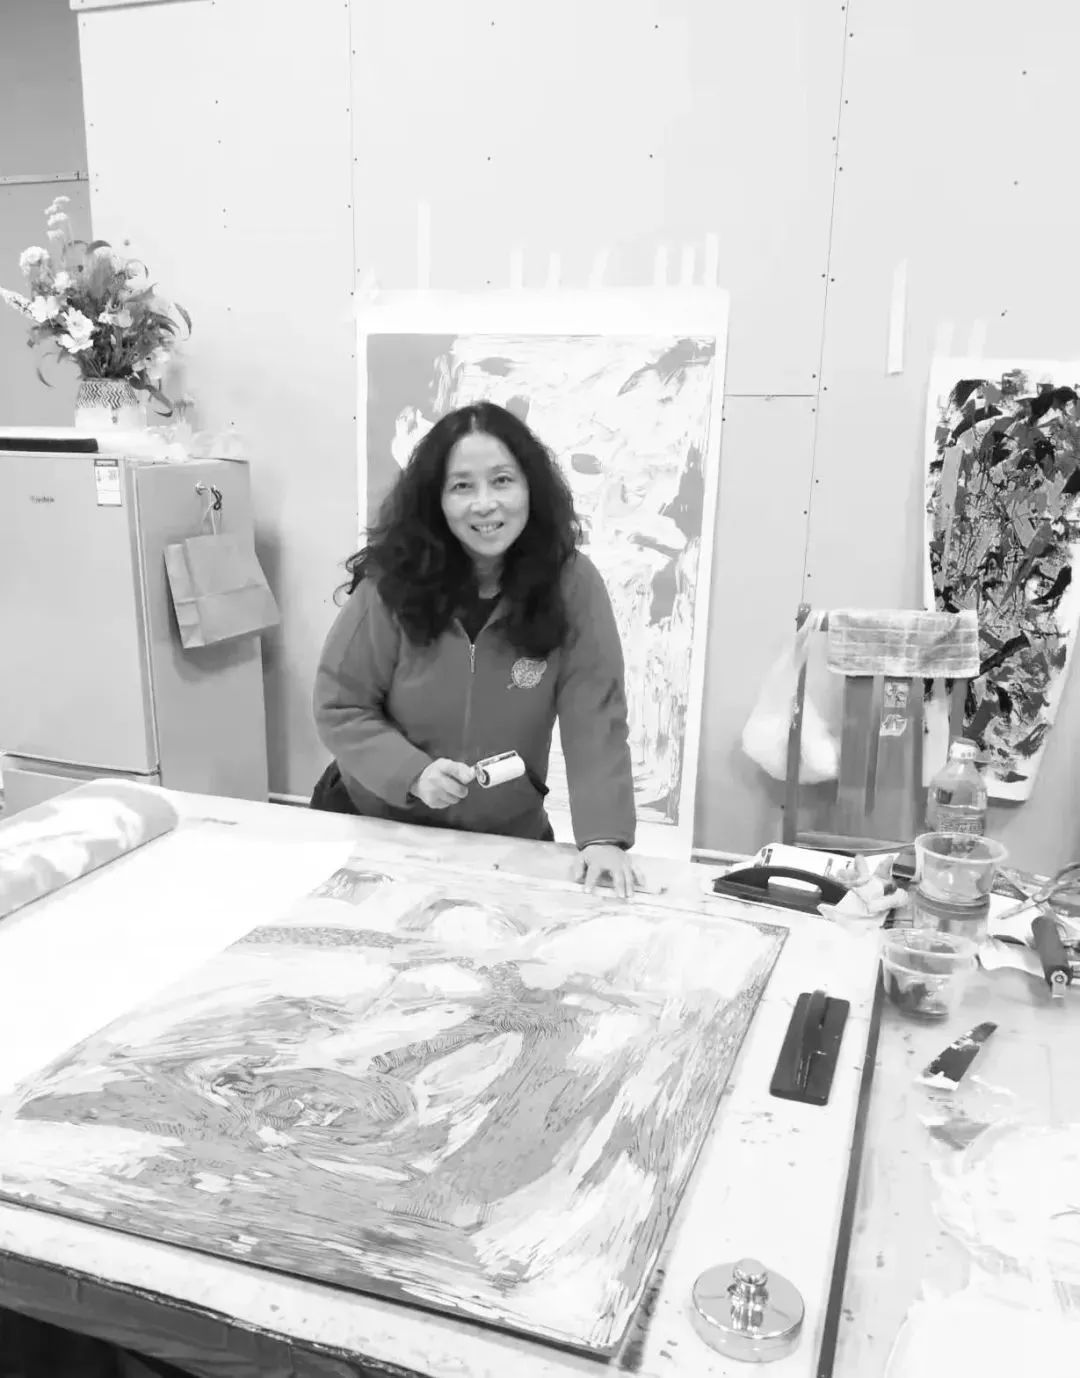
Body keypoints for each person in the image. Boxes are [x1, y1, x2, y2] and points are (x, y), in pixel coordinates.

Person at [311, 401, 638, 897]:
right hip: (375, 824)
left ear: (531, 487)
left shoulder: (573, 584)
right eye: (462, 486)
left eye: (502, 481)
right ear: (436, 500)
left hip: (505, 839)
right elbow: (340, 706)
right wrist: (413, 774)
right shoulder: (390, 583)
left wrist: (603, 838)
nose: (485, 504)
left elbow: (596, 716)